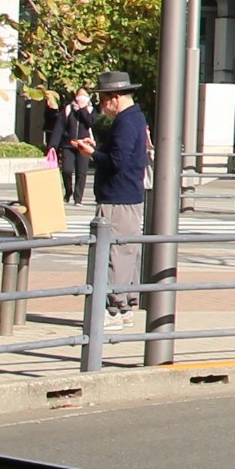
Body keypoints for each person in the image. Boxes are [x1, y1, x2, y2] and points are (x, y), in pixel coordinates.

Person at [92, 72, 151, 315]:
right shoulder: (136, 118)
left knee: (113, 253)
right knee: (126, 252)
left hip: (118, 196)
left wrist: (92, 154)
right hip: (129, 194)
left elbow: (117, 161)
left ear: (114, 97)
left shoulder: (125, 122)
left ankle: (114, 308)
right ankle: (126, 303)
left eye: (103, 99)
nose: (102, 105)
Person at [52, 89, 98, 205]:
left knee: (81, 172)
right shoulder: (68, 109)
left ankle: (78, 198)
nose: (81, 99)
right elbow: (59, 128)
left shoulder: (90, 110)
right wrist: (53, 145)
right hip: (69, 144)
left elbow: (91, 123)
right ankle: (68, 192)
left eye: (84, 96)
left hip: (84, 145)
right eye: (79, 96)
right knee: (67, 170)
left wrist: (83, 109)